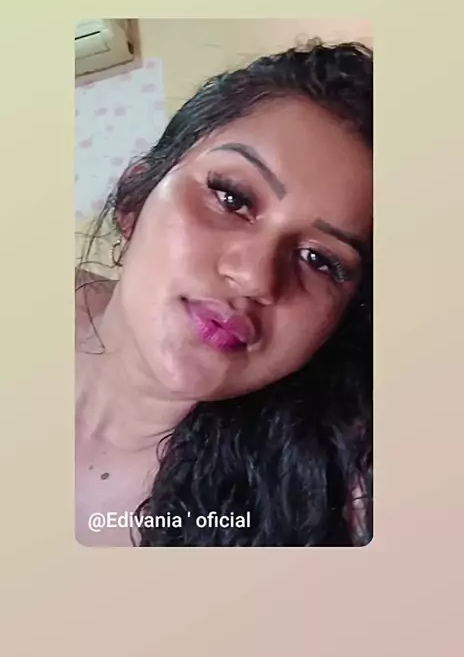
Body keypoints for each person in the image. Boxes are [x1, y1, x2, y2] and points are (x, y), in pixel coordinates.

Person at [75, 38, 373, 547]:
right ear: (134, 200)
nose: (256, 278)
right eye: (232, 198)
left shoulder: (334, 497)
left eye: (320, 260)